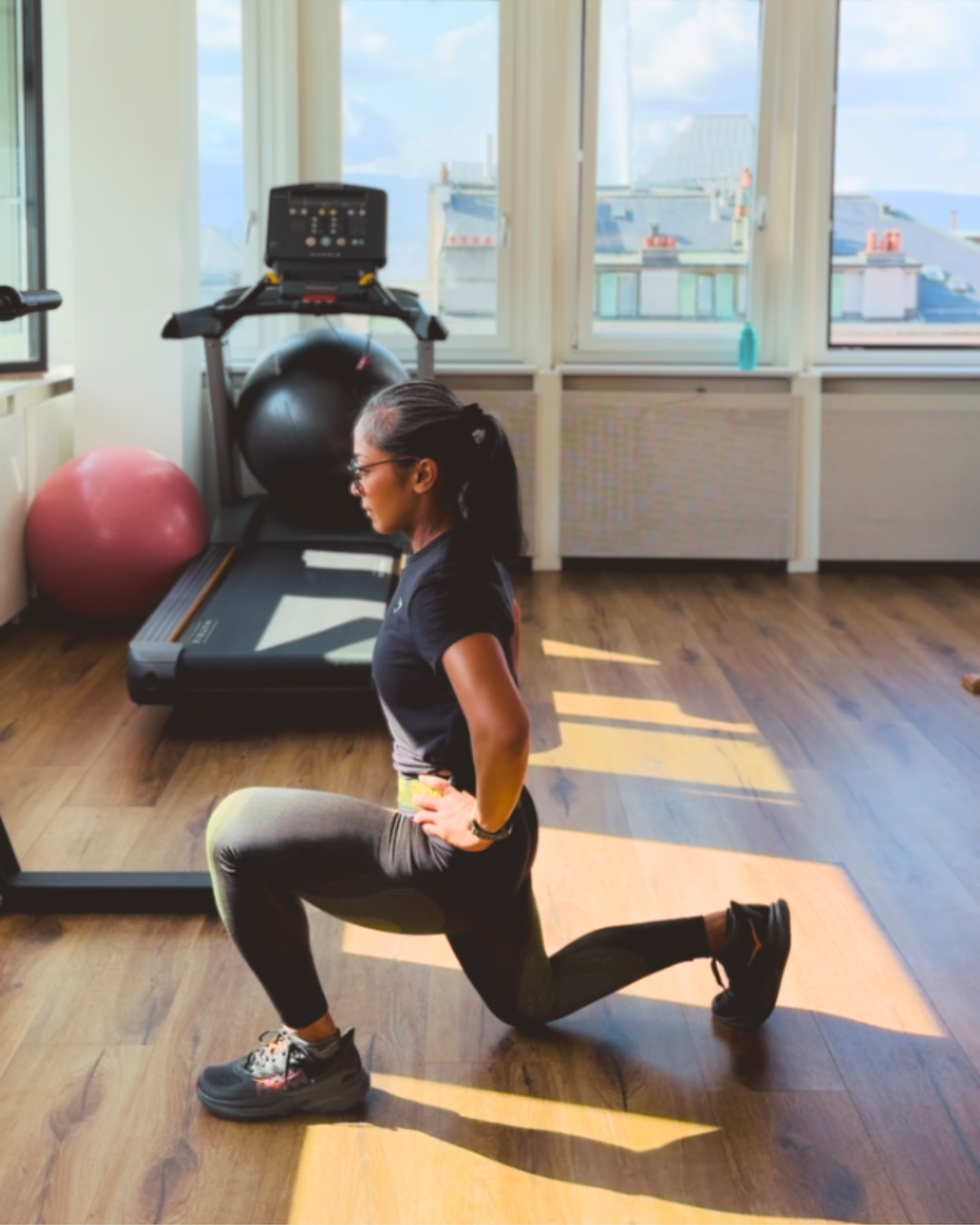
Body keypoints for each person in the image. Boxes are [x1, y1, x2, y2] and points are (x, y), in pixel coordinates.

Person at [196, 380, 791, 1122]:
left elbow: (505, 726)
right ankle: (742, 933)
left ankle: (318, 1056)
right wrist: (490, 821)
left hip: (458, 853)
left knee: (235, 830)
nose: (354, 484)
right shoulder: (464, 556)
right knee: (530, 1000)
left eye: (363, 467)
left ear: (422, 473)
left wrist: (479, 826)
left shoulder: (443, 584)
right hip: (495, 838)